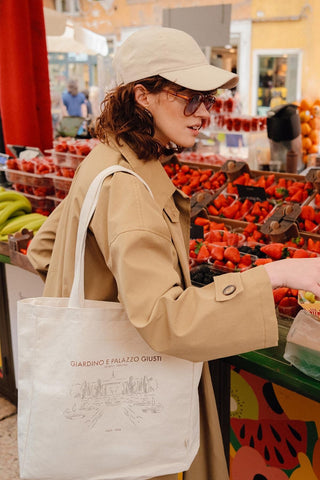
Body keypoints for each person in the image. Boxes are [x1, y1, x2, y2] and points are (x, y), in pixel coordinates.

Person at [27, 27, 320, 480]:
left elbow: (44, 250)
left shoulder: (104, 159)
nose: (205, 113)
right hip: (130, 404)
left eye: (210, 100)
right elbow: (169, 320)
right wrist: (277, 273)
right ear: (142, 96)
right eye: (190, 98)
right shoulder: (130, 187)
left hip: (96, 398)